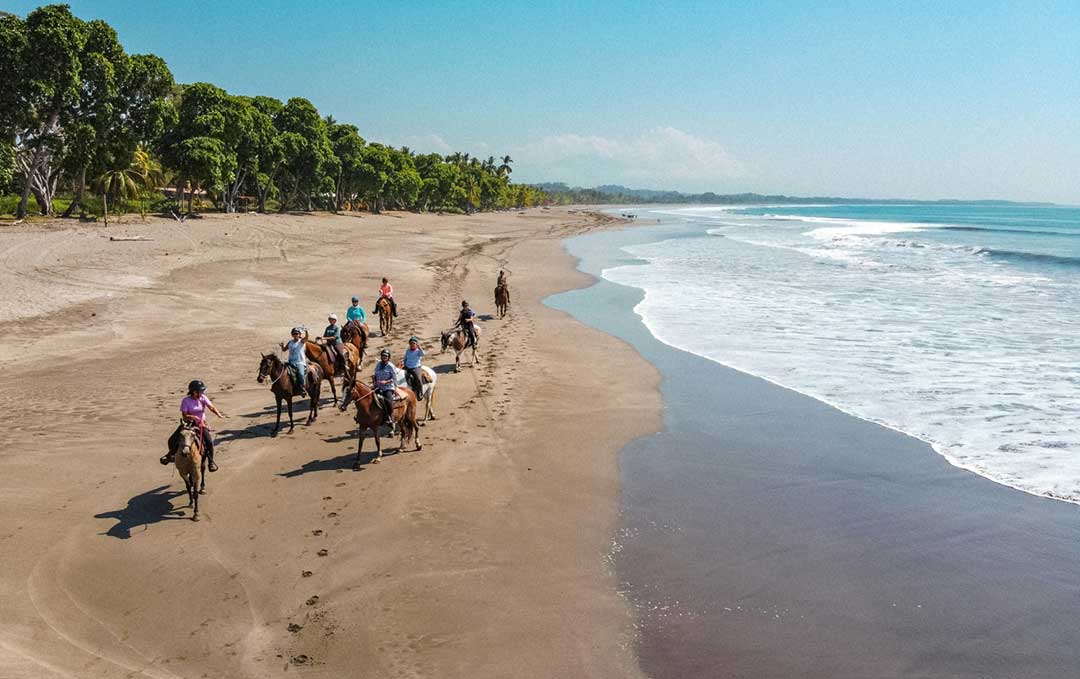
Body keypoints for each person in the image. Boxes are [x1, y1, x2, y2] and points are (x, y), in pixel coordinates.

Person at [161, 380, 225, 471]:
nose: (202, 393)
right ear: (194, 392)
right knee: (172, 440)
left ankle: (211, 462)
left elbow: (211, 407)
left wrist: (218, 414)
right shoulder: (186, 401)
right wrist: (192, 417)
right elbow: (184, 415)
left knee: (209, 442)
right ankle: (170, 456)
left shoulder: (203, 397)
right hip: (188, 424)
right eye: (200, 391)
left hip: (201, 424)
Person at [373, 348, 398, 432]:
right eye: (383, 356)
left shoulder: (391, 366)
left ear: (388, 357)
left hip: (388, 387)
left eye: (386, 356)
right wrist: (374, 381)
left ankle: (391, 418)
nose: (384, 357)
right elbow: (375, 374)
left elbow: (394, 378)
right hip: (378, 386)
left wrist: (386, 381)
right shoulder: (378, 365)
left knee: (388, 401)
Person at [280, 327, 307, 396]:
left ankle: (303, 388)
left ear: (299, 334)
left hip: (300, 362)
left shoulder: (301, 341)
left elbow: (306, 337)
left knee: (301, 374)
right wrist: (282, 346)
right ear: (292, 335)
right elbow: (284, 350)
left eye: (297, 334)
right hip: (291, 361)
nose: (295, 335)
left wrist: (306, 331)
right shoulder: (290, 342)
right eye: (294, 334)